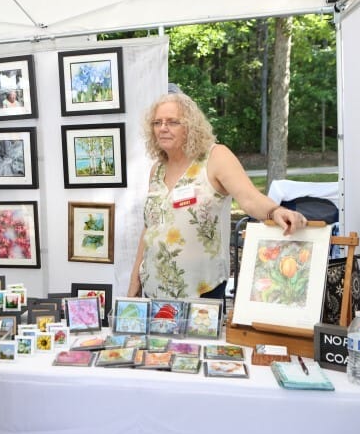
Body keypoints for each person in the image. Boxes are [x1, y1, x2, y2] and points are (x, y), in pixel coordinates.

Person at [127, 92, 309, 300]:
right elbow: (149, 228)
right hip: (154, 293)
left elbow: (249, 198)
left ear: (190, 126)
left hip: (202, 291)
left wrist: (275, 211)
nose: (163, 128)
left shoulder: (215, 157)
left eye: (172, 122)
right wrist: (135, 280)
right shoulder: (157, 169)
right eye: (157, 122)